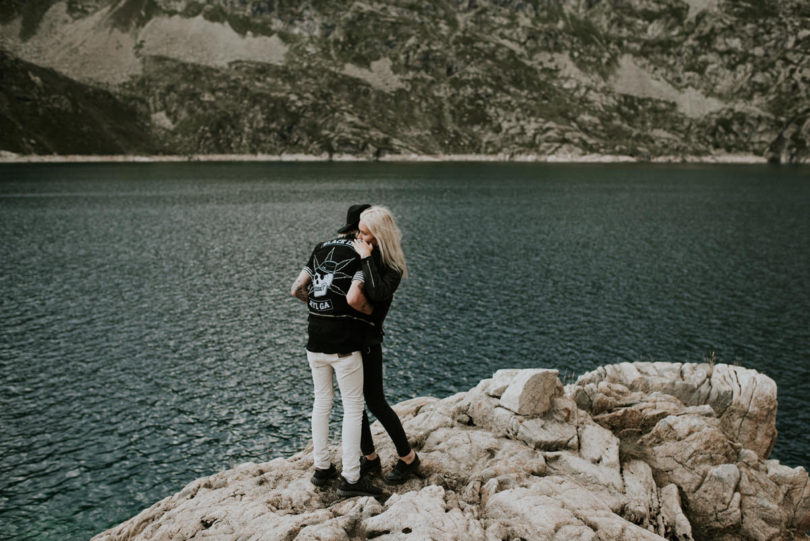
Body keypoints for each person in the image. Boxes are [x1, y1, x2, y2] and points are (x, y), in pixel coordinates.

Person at [290, 204, 381, 498]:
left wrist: (318, 307)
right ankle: (351, 479)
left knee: (322, 403)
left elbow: (296, 289)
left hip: (315, 340)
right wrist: (369, 314)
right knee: (353, 408)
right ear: (361, 225)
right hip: (344, 343)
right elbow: (356, 298)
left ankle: (322, 468)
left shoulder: (320, 248)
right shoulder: (361, 252)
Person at [348, 205, 420, 484]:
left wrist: (365, 259)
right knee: (353, 403)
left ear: (379, 235)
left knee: (375, 401)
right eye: (359, 233)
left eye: (366, 234)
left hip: (369, 340)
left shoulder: (393, 267)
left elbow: (377, 293)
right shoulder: (363, 252)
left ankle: (408, 458)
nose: (361, 238)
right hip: (349, 336)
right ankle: (369, 458)